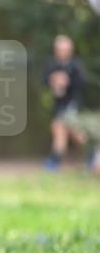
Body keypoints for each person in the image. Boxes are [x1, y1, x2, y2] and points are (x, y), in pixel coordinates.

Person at [42, 34, 86, 170]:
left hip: (72, 105)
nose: (62, 52)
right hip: (58, 106)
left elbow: (82, 85)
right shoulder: (51, 64)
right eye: (59, 49)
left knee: (58, 127)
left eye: (65, 49)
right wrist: (52, 80)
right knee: (74, 134)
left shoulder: (76, 66)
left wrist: (68, 81)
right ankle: (92, 154)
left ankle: (53, 161)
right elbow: (44, 82)